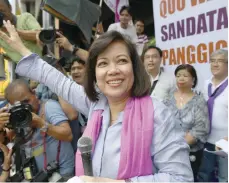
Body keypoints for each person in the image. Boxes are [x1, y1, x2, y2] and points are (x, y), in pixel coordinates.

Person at [0, 21, 193, 182]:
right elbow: (58, 82)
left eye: (122, 61)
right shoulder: (95, 105)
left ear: (135, 68)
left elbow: (180, 178)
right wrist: (23, 50)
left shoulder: (158, 113)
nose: (113, 70)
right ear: (94, 74)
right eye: (103, 63)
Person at [0, 79, 75, 180]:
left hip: (61, 172)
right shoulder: (17, 116)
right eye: (19, 105)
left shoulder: (49, 107)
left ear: (34, 93)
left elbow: (68, 135)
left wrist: (41, 123)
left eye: (26, 101)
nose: (25, 107)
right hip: (38, 175)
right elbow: (4, 142)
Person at [163, 64, 209, 181]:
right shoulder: (167, 98)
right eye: (178, 76)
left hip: (190, 154)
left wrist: (179, 145)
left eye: (185, 76)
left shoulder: (199, 100)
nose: (181, 78)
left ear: (193, 80)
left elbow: (201, 129)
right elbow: (161, 123)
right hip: (167, 152)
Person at [198, 49, 228, 182]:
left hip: (226, 142)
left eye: (220, 61)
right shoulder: (206, 84)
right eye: (213, 61)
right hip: (207, 140)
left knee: (224, 177)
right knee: (204, 175)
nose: (215, 64)